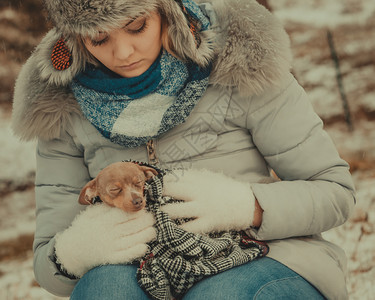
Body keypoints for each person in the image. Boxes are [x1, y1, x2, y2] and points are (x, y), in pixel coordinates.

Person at [11, 0, 355, 299]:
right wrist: (76, 249)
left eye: (136, 27)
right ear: (73, 37)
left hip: (267, 258)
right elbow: (47, 264)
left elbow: (335, 193)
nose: (123, 52)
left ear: (167, 10)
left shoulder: (242, 64)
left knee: (220, 295)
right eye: (99, 37)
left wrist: (248, 206)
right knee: (104, 290)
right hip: (141, 270)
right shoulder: (59, 106)